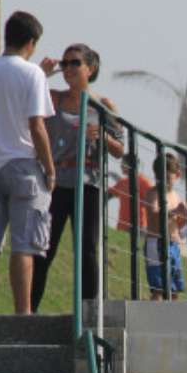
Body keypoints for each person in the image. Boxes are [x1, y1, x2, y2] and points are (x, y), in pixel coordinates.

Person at [0, 10, 55, 315]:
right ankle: (23, 315)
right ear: (31, 42)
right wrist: (49, 167)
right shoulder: (33, 74)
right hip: (24, 167)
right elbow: (37, 126)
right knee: (24, 245)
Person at [31, 43, 124, 312]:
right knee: (44, 250)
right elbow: (25, 93)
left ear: (90, 69)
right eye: (65, 63)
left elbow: (120, 149)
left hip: (89, 184)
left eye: (75, 64)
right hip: (56, 183)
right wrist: (42, 72)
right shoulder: (54, 98)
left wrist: (104, 137)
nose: (68, 69)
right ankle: (29, 312)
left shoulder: (103, 106)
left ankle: (89, 313)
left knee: (87, 250)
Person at [144, 153, 187, 301]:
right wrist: (175, 211)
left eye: (167, 177)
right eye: (159, 177)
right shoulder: (153, 193)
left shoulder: (176, 196)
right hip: (156, 243)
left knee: (175, 288)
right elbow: (155, 213)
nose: (163, 181)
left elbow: (178, 224)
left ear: (177, 175)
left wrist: (184, 216)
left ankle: (175, 320)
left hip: (174, 244)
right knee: (158, 288)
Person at [109, 156, 151, 234]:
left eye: (123, 163)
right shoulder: (122, 182)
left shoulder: (144, 182)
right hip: (122, 227)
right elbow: (109, 194)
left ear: (130, 165)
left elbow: (152, 203)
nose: (120, 166)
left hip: (139, 227)